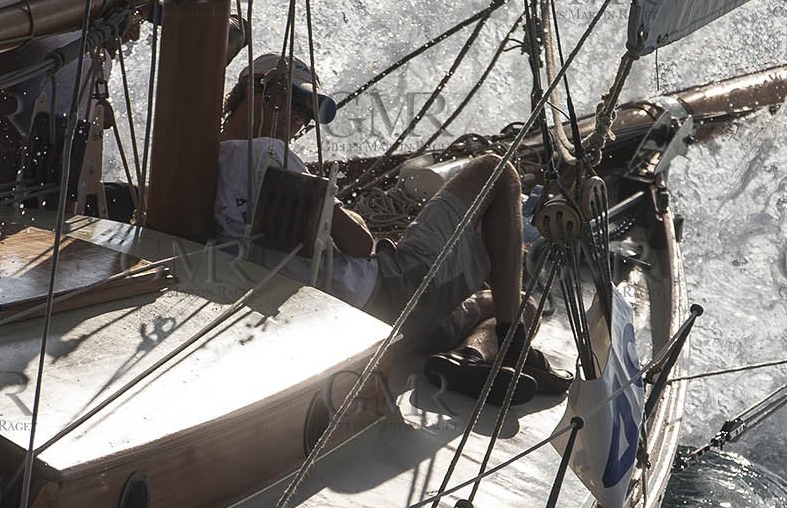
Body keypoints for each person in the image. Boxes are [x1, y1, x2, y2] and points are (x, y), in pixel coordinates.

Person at [216, 53, 564, 402]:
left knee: (521, 306)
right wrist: (343, 210)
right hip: (386, 295)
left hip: (376, 324)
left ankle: (466, 358)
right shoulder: (267, 153)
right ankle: (513, 350)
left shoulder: (206, 164)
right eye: (295, 102)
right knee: (496, 171)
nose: (298, 119)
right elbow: (359, 243)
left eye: (306, 114)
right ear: (258, 90)